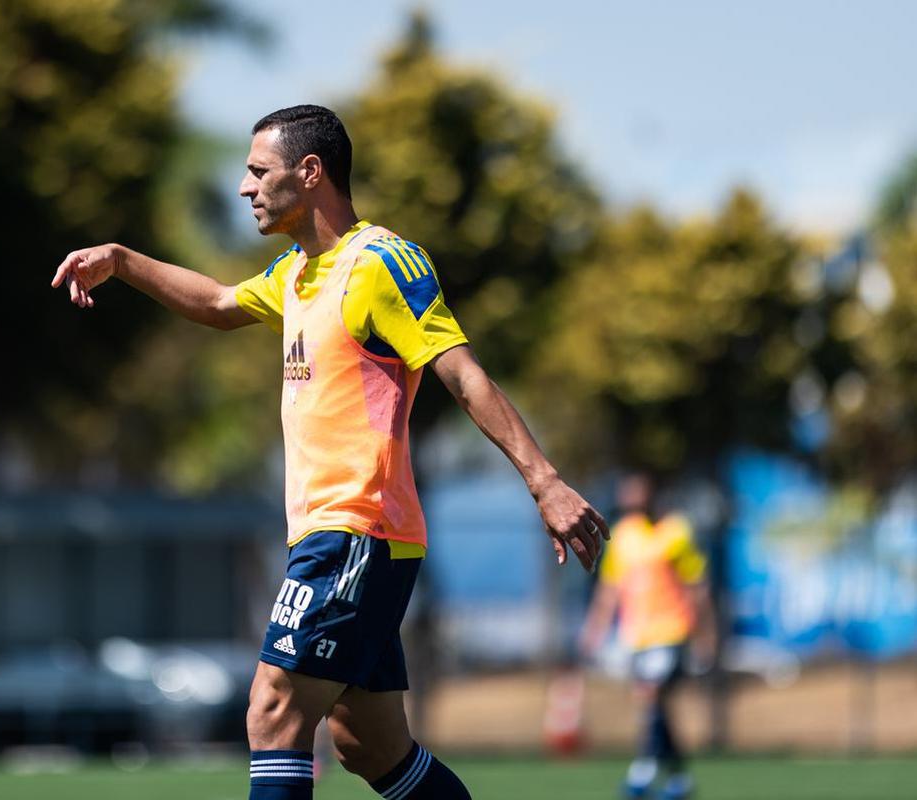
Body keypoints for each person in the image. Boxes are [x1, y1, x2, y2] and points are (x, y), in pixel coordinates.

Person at [52, 104, 607, 800]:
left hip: (357, 529)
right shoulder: (295, 272)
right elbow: (221, 303)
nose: (244, 188)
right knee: (368, 745)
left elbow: (460, 371)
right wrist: (123, 262)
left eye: (258, 172)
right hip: (330, 535)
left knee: (273, 708)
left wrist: (544, 482)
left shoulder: (379, 262)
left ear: (309, 172)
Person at [579, 473, 716, 800]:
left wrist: (706, 635)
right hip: (637, 633)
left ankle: (643, 770)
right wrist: (595, 628)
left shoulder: (677, 531)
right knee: (656, 705)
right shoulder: (625, 535)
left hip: (672, 629)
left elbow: (697, 586)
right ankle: (679, 777)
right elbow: (610, 589)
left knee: (652, 694)